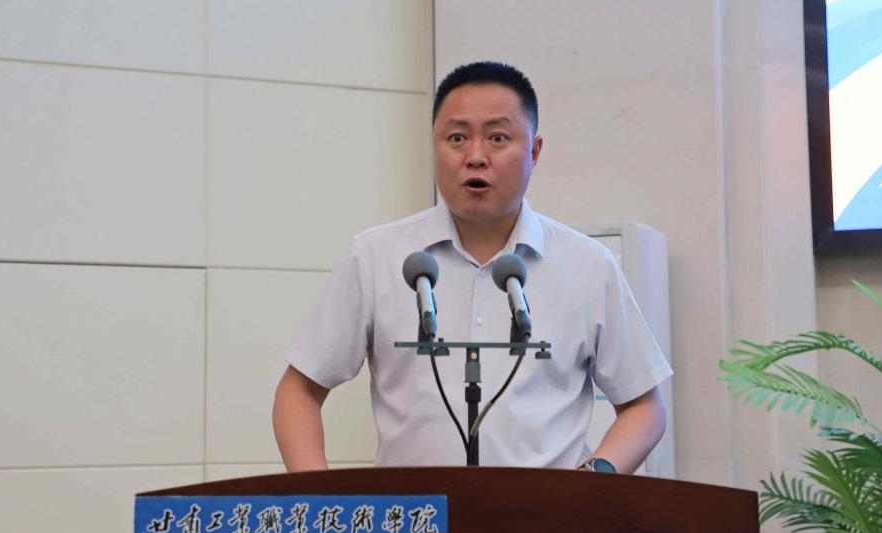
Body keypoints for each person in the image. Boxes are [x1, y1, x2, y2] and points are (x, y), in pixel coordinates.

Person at [273, 61, 671, 474]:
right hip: (417, 513)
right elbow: (299, 391)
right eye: (457, 138)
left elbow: (644, 406)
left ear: (534, 151)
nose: (476, 157)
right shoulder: (375, 256)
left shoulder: (588, 265)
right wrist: (320, 498)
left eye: (498, 137)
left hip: (548, 513)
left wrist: (593, 482)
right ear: (434, 145)